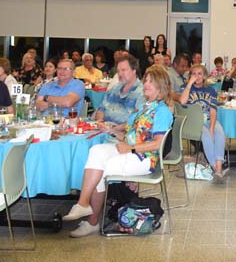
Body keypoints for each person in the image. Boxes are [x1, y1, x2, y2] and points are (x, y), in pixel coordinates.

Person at [62, 65, 173, 238]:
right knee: (96, 151)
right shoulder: (144, 106)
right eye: (146, 80)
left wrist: (131, 148)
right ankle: (83, 203)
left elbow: (158, 144)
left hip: (143, 159)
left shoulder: (162, 111)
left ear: (161, 85)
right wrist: (112, 131)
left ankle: (92, 221)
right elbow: (129, 135)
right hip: (129, 151)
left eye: (151, 81)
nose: (146, 84)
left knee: (101, 168)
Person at [179, 64, 226, 180]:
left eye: (200, 74)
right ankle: (215, 167)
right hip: (193, 122)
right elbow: (182, 101)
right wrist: (189, 84)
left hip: (208, 119)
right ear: (190, 76)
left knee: (219, 132)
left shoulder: (211, 91)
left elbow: (213, 111)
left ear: (205, 76)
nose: (197, 76)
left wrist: (212, 127)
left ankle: (219, 167)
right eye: (194, 73)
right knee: (206, 135)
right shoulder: (185, 87)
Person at [94, 55, 144, 125]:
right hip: (104, 129)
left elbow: (136, 122)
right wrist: (100, 122)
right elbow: (101, 109)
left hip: (123, 133)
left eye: (123, 70)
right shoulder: (114, 88)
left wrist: (114, 130)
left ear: (134, 70)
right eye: (118, 71)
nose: (120, 74)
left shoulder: (142, 92)